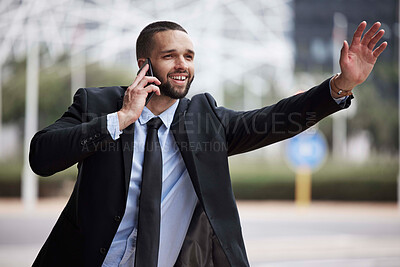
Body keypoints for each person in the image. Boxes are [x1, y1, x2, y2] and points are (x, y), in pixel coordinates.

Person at [29, 20, 387, 267]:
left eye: (189, 55)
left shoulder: (206, 120)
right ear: (145, 63)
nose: (182, 64)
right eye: (170, 56)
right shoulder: (98, 104)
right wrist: (120, 119)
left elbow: (277, 119)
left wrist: (340, 85)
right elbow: (41, 156)